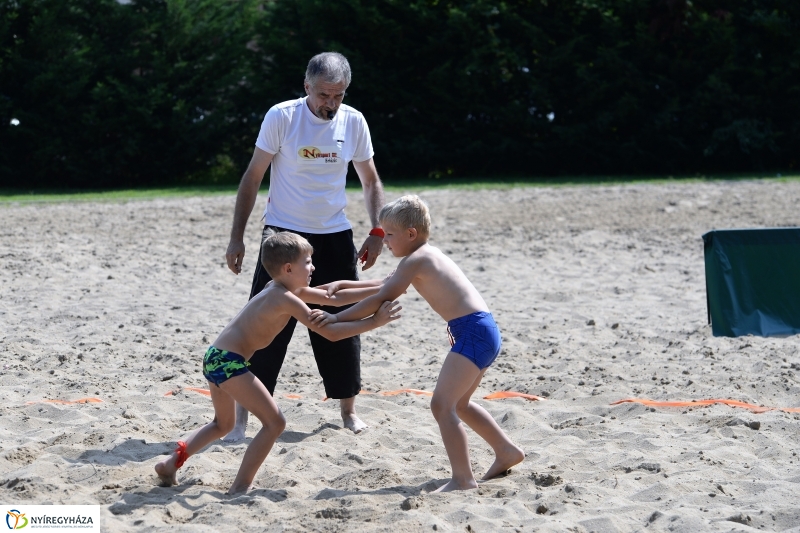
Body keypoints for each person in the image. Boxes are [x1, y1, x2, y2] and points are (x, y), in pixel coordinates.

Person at [155, 231, 400, 494]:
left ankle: (170, 464)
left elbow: (333, 296)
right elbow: (330, 333)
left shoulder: (279, 287)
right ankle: (240, 487)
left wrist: (384, 285)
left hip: (215, 357)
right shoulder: (284, 297)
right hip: (229, 362)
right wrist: (374, 321)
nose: (313, 267)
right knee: (275, 423)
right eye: (308, 262)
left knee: (222, 425)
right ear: (288, 268)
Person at [312, 195, 525, 492]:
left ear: (410, 234)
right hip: (481, 330)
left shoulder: (416, 260)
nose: (384, 241)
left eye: (389, 234)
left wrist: (336, 319)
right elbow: (376, 288)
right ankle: (506, 451)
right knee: (459, 404)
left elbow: (380, 298)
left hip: (473, 333)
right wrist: (336, 290)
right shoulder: (423, 256)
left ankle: (463, 479)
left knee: (442, 405)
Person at [225, 51, 385, 438]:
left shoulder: (354, 121)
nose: (331, 104)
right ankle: (243, 419)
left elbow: (371, 182)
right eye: (324, 95)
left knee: (342, 321)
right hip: (283, 237)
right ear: (306, 86)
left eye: (338, 95)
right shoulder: (282, 117)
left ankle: (348, 411)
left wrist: (377, 232)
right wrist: (237, 236)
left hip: (334, 235)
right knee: (266, 326)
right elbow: (252, 176)